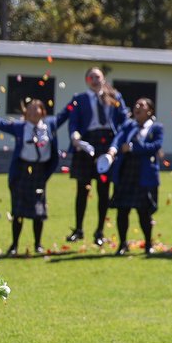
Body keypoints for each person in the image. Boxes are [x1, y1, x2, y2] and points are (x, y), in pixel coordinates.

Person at [0, 97, 61, 255]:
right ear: (25, 113)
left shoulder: (49, 125)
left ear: (43, 112)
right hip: (22, 171)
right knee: (18, 211)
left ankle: (38, 244)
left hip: (39, 172)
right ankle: (14, 245)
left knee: (39, 211)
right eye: (29, 109)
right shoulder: (20, 127)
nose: (32, 111)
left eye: (36, 108)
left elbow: (65, 114)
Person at [60, 67, 128, 245]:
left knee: (104, 190)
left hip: (108, 143)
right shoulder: (79, 99)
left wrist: (120, 143)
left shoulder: (115, 97)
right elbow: (73, 122)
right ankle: (78, 229)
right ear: (86, 80)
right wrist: (74, 136)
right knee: (82, 189)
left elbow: (124, 122)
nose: (95, 80)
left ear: (103, 78)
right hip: (86, 143)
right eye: (91, 77)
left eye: (97, 76)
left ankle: (100, 231)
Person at [103, 98, 164, 255]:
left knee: (144, 212)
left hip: (143, 173)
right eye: (136, 104)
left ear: (150, 111)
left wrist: (133, 148)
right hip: (126, 172)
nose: (137, 107)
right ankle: (122, 244)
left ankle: (148, 244)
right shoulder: (129, 125)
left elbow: (155, 146)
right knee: (122, 211)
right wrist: (112, 150)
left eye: (141, 105)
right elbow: (118, 138)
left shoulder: (156, 127)